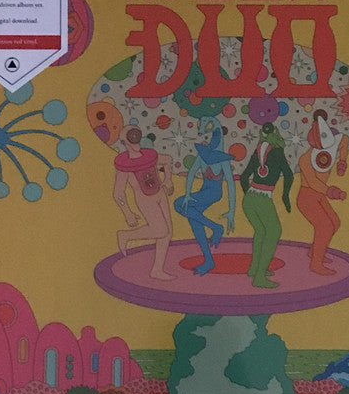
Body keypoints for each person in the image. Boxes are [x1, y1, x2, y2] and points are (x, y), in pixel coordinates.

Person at [174, 115, 235, 276]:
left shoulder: (222, 159)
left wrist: (231, 211)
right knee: (194, 220)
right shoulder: (202, 156)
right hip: (203, 193)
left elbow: (231, 184)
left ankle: (215, 227)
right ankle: (209, 260)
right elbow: (191, 173)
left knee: (178, 204)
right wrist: (188, 194)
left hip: (214, 194)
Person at [113, 125, 175, 280]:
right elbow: (118, 193)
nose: (135, 139)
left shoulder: (149, 156)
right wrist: (127, 213)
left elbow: (167, 160)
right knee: (161, 230)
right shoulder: (125, 165)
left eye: (136, 135)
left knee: (167, 233)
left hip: (160, 194)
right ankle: (126, 236)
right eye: (131, 137)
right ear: (125, 142)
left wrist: (168, 179)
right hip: (145, 198)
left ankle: (157, 270)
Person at [240, 122, 293, 288]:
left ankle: (254, 269)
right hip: (262, 198)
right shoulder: (277, 152)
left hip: (249, 199)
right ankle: (259, 277)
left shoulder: (257, 152)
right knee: (275, 231)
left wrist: (250, 194)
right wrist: (285, 196)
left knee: (261, 231)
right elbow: (289, 175)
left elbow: (243, 177)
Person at [297, 113, 348, 276]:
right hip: (307, 197)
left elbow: (344, 140)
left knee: (335, 222)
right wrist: (332, 191)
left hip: (320, 196)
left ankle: (314, 251)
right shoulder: (305, 159)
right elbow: (313, 182)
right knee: (325, 226)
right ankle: (316, 264)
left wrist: (342, 161)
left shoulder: (331, 146)